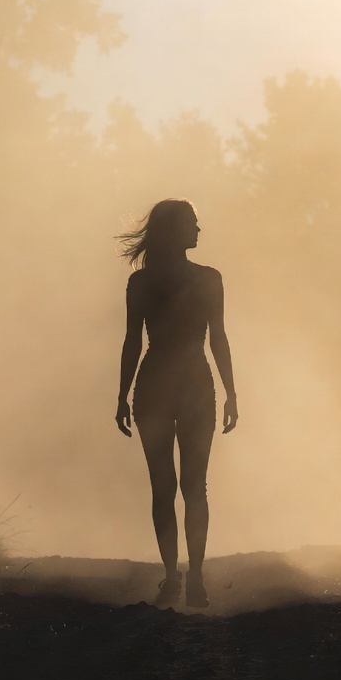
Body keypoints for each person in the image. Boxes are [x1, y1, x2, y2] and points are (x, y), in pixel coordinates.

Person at [115, 199, 238, 608]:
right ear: (176, 231)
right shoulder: (209, 279)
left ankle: (174, 578)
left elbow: (135, 341)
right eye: (193, 223)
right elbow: (216, 338)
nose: (199, 230)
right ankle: (195, 579)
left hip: (153, 386)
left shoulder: (141, 283)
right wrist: (231, 392)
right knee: (193, 487)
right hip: (196, 386)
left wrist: (122, 395)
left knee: (164, 487)